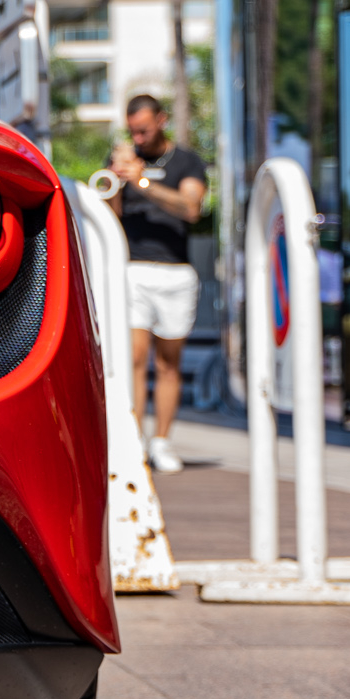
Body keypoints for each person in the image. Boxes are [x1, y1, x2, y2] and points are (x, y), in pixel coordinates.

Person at [105, 94, 208, 473]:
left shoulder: (186, 161)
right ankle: (132, 439)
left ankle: (161, 441)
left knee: (168, 364)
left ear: (161, 121)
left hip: (175, 271)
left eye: (144, 129)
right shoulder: (122, 159)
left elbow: (191, 208)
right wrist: (115, 182)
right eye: (133, 130)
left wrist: (142, 181)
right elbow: (109, 215)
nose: (138, 137)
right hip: (132, 270)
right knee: (133, 356)